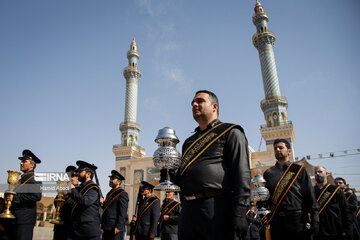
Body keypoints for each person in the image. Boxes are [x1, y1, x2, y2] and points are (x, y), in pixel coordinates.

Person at [170, 90, 251, 240]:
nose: (194, 104)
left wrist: (240, 211)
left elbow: (242, 173)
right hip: (188, 210)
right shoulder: (189, 142)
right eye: (193, 102)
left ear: (214, 107)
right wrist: (167, 168)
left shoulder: (230, 132)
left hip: (216, 207)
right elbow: (181, 179)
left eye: (200, 101)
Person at [263, 139, 319, 240]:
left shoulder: (299, 170)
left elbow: (310, 195)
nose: (278, 149)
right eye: (275, 148)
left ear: (289, 151)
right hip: (277, 221)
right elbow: (266, 197)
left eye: (281, 147)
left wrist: (315, 219)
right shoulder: (268, 173)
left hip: (297, 220)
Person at [6, 149, 42, 240]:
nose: (21, 163)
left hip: (24, 221)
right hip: (14, 219)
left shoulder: (35, 178)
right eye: (21, 161)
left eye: (24, 161)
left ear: (32, 165)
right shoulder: (21, 179)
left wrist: (14, 198)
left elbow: (36, 196)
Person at [313, 166, 353, 240]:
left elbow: (345, 209)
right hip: (318, 230)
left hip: (334, 229)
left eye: (320, 172)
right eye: (315, 172)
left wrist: (348, 228)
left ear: (326, 173)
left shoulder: (335, 190)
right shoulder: (311, 191)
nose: (317, 174)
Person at [67, 160, 101, 240]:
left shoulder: (93, 188)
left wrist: (73, 189)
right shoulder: (80, 188)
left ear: (88, 174)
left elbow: (84, 201)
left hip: (88, 230)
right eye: (77, 172)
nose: (78, 174)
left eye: (80, 172)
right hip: (76, 229)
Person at [53, 165, 79, 240]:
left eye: (73, 176)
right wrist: (57, 202)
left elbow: (76, 204)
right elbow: (56, 200)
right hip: (59, 226)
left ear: (77, 178)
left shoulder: (80, 190)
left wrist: (66, 197)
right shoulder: (63, 188)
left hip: (71, 227)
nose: (71, 178)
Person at [101, 170, 129, 240]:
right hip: (106, 226)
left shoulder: (122, 194)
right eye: (110, 179)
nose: (110, 180)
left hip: (115, 227)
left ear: (119, 182)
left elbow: (123, 212)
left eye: (113, 179)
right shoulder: (109, 193)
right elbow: (107, 208)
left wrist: (119, 226)